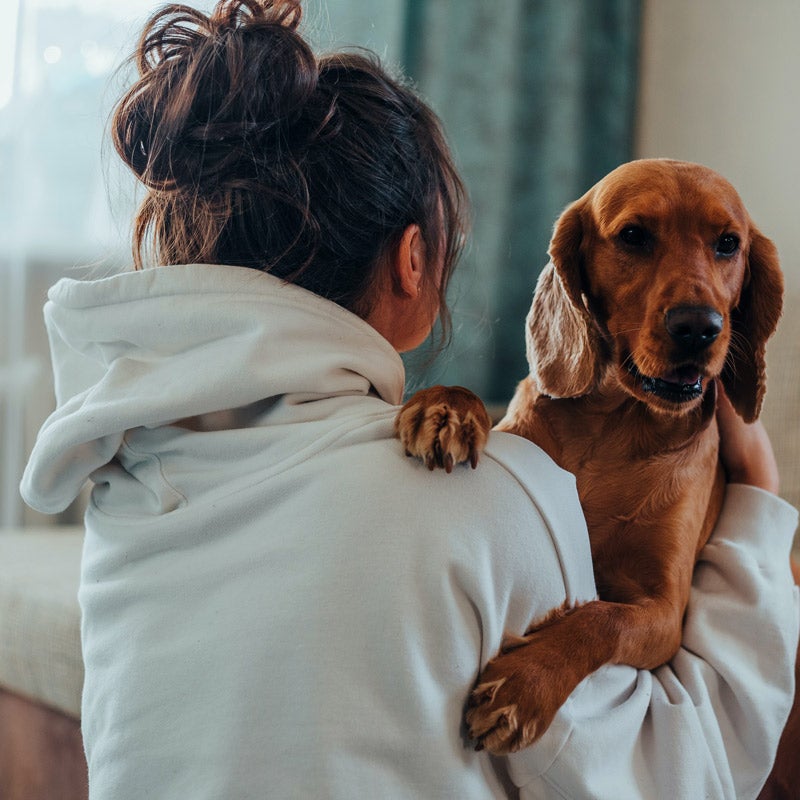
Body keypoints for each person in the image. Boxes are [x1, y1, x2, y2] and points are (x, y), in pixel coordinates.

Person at [20, 1, 798, 798]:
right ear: (413, 259)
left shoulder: (123, 489)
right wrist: (760, 507)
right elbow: (687, 777)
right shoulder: (480, 508)